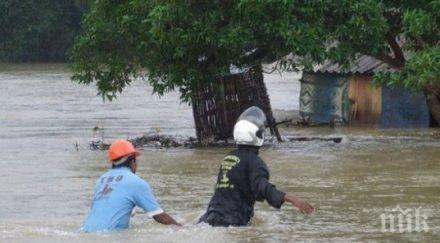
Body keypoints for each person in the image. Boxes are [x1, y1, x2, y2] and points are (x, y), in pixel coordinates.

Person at [199, 106, 314, 227]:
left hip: (210, 215)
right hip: (232, 220)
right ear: (257, 135)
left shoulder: (228, 158)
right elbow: (262, 187)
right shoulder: (255, 162)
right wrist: (293, 199)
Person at [83, 139, 181, 232]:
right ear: (133, 161)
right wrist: (182, 228)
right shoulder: (135, 182)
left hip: (85, 232)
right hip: (109, 235)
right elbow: (160, 216)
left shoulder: (101, 180)